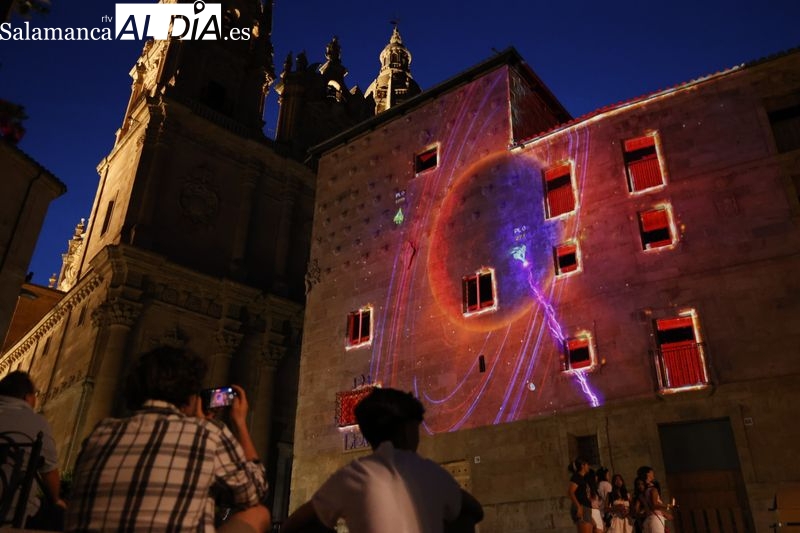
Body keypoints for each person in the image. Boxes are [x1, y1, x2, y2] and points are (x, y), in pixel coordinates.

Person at [65, 346, 270, 532]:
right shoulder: (207, 434)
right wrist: (239, 423)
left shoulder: (99, 433)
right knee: (258, 513)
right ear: (190, 395)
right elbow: (255, 492)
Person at [281, 387, 483, 533]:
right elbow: (474, 509)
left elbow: (294, 524)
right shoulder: (432, 473)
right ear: (407, 430)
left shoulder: (354, 475)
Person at [0, 371, 66, 529]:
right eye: (35, 394)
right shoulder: (37, 423)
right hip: (16, 513)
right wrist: (57, 499)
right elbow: (49, 472)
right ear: (27, 397)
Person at [636, 466, 671, 533]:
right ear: (648, 474)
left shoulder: (642, 492)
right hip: (655, 519)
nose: (653, 474)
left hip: (647, 520)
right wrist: (668, 506)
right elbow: (654, 505)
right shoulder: (652, 489)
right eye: (652, 472)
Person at [567, 458, 594, 533]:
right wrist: (578, 507)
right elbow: (570, 492)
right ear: (583, 465)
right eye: (587, 465)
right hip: (582, 507)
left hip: (586, 507)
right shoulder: (576, 477)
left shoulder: (583, 478)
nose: (588, 466)